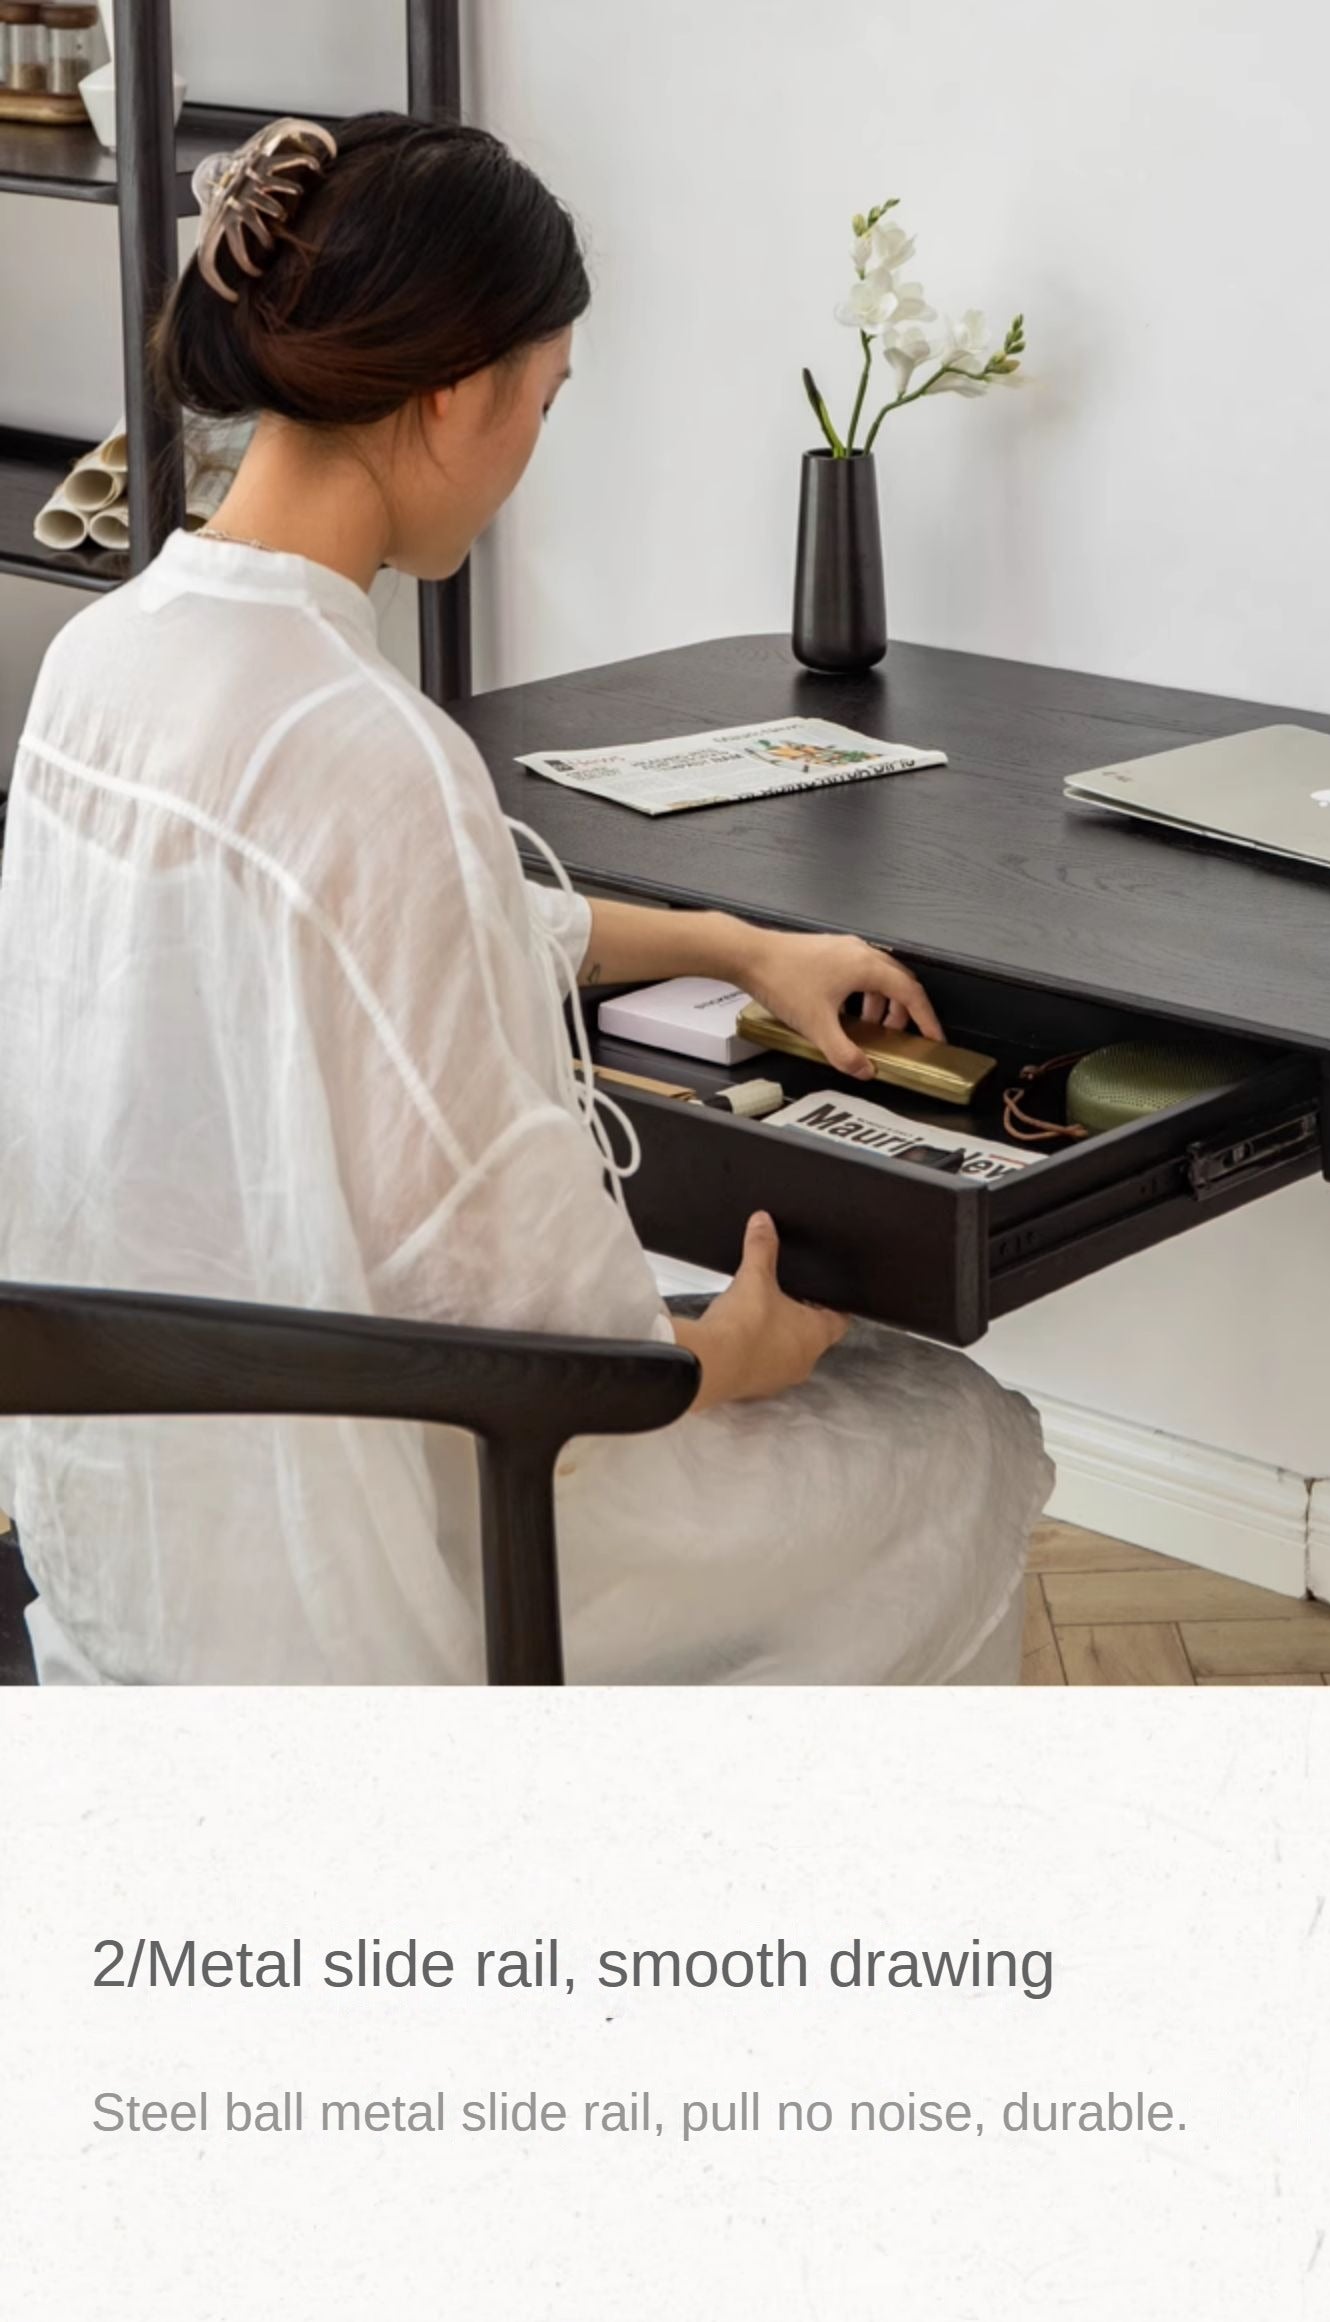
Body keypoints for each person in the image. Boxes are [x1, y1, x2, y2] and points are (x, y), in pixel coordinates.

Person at [0, 114, 1051, 1686]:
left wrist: (740, 943)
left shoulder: (101, 664)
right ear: (453, 392)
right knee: (959, 1431)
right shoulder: (369, 753)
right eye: (543, 401)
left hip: (137, 1527)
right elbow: (555, 1347)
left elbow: (434, 918)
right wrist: (737, 1354)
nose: (531, 450)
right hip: (394, 1554)